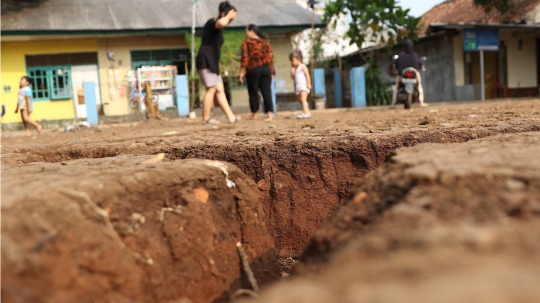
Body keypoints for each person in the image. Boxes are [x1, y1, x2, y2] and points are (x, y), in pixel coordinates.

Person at [196, 1, 240, 125]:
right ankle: (206, 118)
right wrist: (228, 16)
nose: (230, 22)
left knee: (220, 88)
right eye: (230, 18)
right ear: (223, 13)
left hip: (212, 63)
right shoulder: (212, 22)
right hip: (206, 60)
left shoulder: (218, 27)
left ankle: (231, 117)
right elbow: (221, 23)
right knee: (211, 89)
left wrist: (229, 17)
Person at [239, 24, 275, 121]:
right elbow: (270, 58)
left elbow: (245, 59)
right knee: (266, 91)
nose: (246, 34)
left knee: (253, 92)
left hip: (253, 69)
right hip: (266, 69)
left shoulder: (246, 43)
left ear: (251, 31)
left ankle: (254, 114)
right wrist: (271, 71)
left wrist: (242, 72)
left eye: (246, 31)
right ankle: (269, 113)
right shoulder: (265, 43)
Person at [391, 40, 427, 108]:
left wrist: (398, 69)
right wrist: (421, 66)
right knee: (419, 86)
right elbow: (420, 64)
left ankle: (393, 104)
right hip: (414, 73)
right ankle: (421, 102)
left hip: (403, 74)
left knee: (396, 87)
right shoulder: (415, 55)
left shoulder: (401, 55)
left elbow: (396, 64)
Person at [289, 51, 312, 119]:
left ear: (298, 59)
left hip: (303, 86)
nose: (292, 62)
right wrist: (292, 69)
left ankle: (306, 113)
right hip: (298, 86)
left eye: (293, 60)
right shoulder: (296, 69)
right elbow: (293, 77)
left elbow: (307, 75)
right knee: (301, 100)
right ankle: (306, 111)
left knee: (303, 99)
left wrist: (309, 83)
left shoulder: (303, 66)